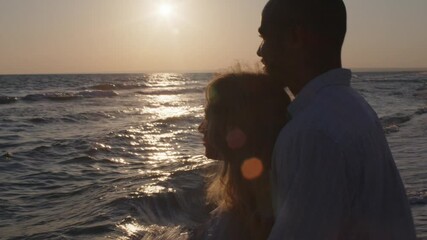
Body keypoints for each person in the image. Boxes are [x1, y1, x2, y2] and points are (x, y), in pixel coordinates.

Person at [257, 0, 417, 239]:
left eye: (265, 38)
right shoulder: (351, 108)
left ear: (295, 37)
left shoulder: (315, 131)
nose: (260, 51)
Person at [193, 72, 289, 240]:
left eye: (208, 118)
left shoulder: (250, 214)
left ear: (233, 127)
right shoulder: (249, 195)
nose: (201, 128)